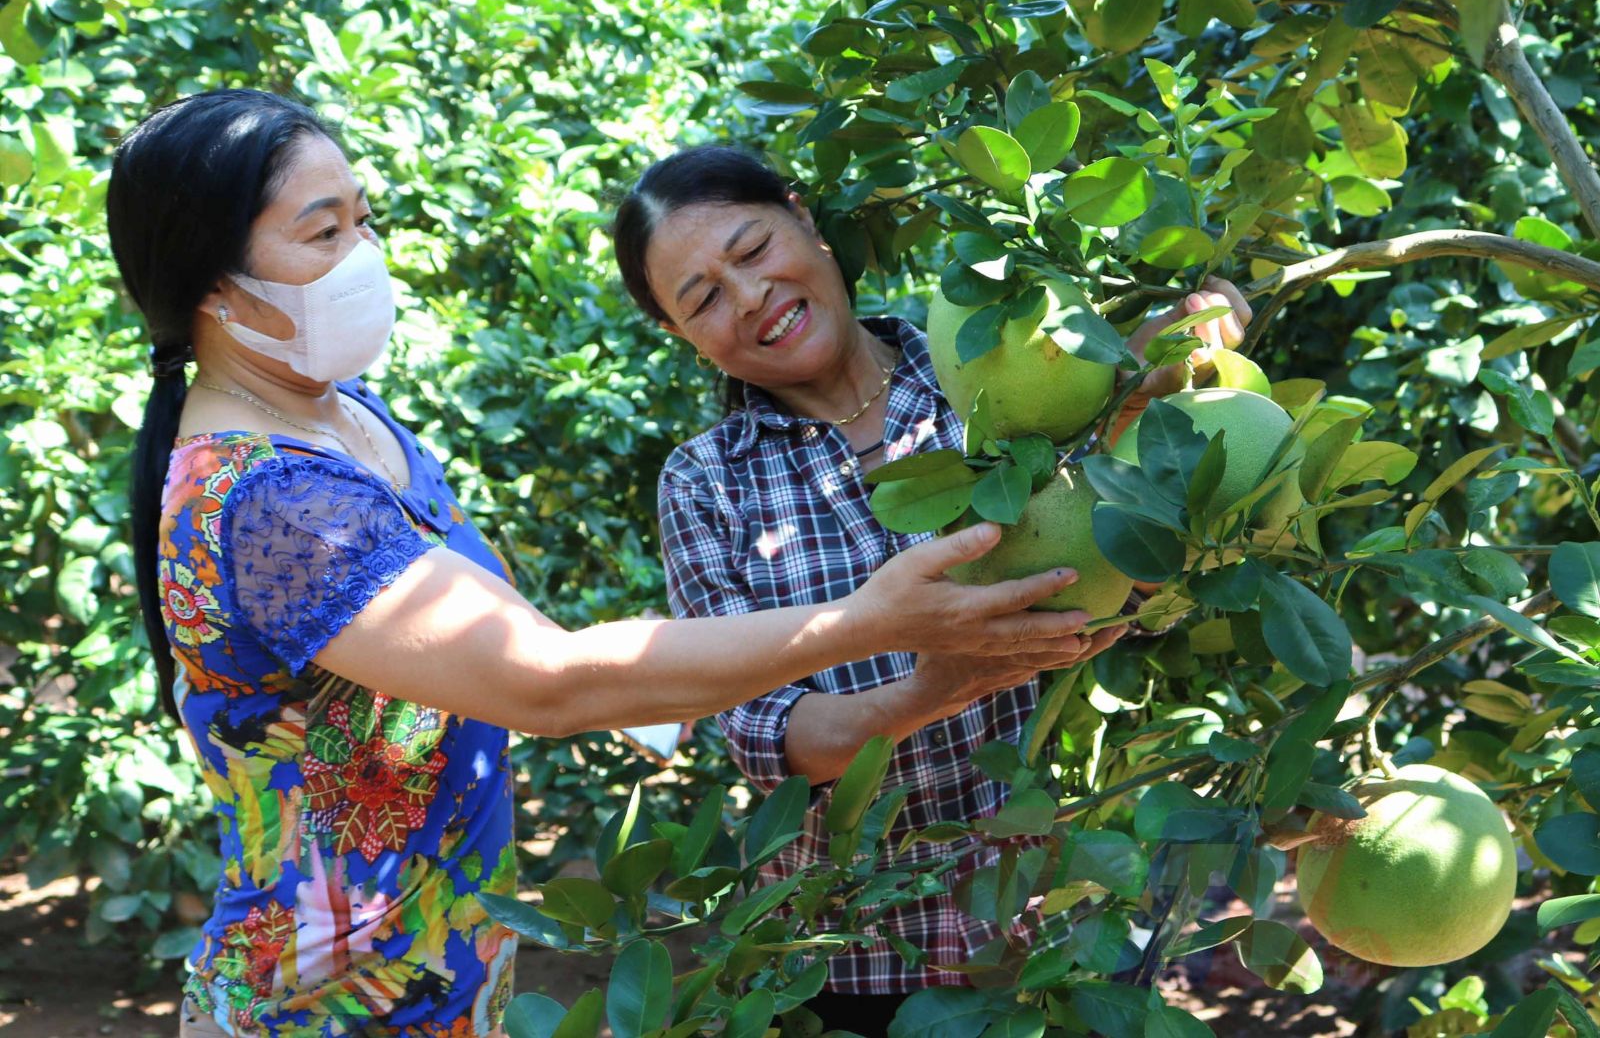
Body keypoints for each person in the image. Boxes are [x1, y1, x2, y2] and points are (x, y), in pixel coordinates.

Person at [110, 91, 1096, 1038]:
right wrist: (865, 625)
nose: (364, 254)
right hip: (320, 1003)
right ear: (213, 287)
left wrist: (649, 695)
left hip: (435, 973)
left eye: (363, 220)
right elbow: (541, 678)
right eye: (324, 234)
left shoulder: (338, 413)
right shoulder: (269, 501)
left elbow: (482, 609)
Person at [613, 146, 1253, 1032]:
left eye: (753, 248)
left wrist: (1178, 361)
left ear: (806, 221)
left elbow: (1134, 570)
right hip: (861, 954)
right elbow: (766, 737)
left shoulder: (997, 359)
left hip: (1065, 924)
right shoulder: (706, 483)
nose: (750, 296)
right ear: (681, 336)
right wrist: (932, 688)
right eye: (704, 298)